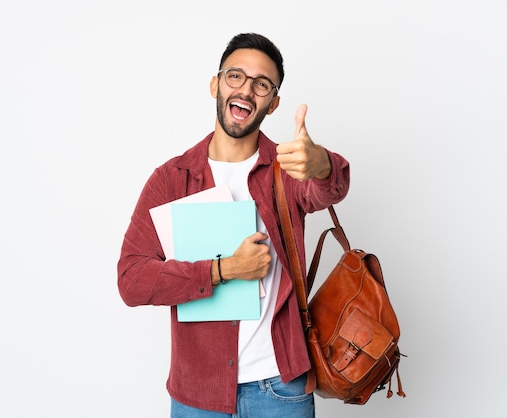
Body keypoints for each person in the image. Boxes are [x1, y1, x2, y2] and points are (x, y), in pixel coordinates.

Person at [117, 33, 350, 417]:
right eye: (235, 76)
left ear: (273, 103)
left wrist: (321, 162)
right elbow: (131, 279)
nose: (246, 90)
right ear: (216, 84)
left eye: (262, 84)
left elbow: (330, 187)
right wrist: (223, 269)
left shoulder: (288, 167)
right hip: (198, 393)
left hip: (281, 388)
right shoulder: (172, 179)